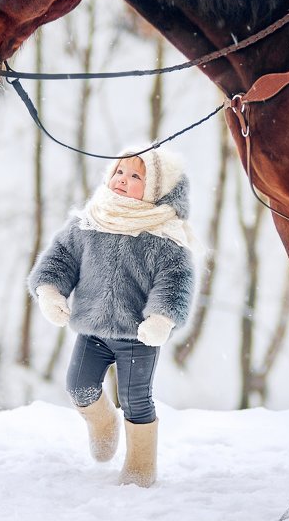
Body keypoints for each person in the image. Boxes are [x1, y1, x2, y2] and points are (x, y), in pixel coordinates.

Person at [28, 145, 195, 486]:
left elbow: (175, 282)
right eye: (119, 171)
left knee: (136, 399)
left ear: (156, 190)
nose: (123, 179)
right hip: (92, 331)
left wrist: (162, 319)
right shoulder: (89, 221)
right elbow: (61, 257)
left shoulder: (164, 237)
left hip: (138, 338)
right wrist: (50, 290)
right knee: (79, 385)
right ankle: (103, 423)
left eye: (136, 176)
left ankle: (139, 467)